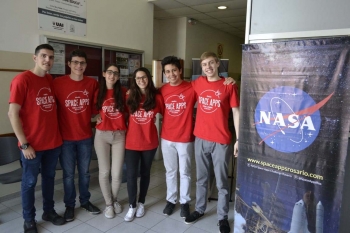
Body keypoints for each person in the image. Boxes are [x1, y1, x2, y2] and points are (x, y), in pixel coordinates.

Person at [160, 56, 235, 218]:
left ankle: (185, 202)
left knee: (186, 172)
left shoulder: (191, 87)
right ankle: (171, 200)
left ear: (180, 71)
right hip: (168, 137)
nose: (171, 74)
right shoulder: (163, 90)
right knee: (171, 171)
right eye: (167, 71)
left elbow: (217, 90)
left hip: (187, 137)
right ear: (164, 74)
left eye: (174, 70)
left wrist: (228, 80)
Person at [8, 44, 65, 233]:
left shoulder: (50, 79)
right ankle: (29, 219)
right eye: (43, 56)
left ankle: (49, 211)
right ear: (35, 58)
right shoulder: (22, 80)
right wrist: (24, 144)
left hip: (52, 143)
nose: (47, 60)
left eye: (50, 57)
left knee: (49, 179)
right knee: (29, 183)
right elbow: (12, 114)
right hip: (31, 146)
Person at [185, 52, 240, 233]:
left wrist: (238, 139)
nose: (207, 67)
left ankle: (222, 217)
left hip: (221, 140)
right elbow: (178, 89)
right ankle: (200, 209)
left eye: (211, 63)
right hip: (200, 137)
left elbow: (236, 113)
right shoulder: (197, 83)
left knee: (222, 182)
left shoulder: (229, 86)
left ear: (217, 64)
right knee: (201, 178)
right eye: (204, 65)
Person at [53, 49, 100, 222]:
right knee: (68, 175)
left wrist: (99, 116)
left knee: (85, 173)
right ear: (69, 64)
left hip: (85, 137)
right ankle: (70, 206)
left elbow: (96, 108)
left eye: (82, 63)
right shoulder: (58, 83)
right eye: (75, 62)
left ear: (86, 65)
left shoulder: (92, 84)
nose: (78, 66)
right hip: (65, 138)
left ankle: (85, 202)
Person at [124, 67, 164, 222]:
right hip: (132, 143)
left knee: (145, 173)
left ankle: (141, 202)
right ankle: (132, 205)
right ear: (134, 80)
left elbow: (168, 116)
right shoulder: (129, 96)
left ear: (149, 78)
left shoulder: (157, 97)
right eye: (138, 78)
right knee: (131, 175)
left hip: (149, 142)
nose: (141, 80)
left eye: (144, 77)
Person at [94, 64, 127, 219]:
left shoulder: (124, 92)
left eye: (115, 73)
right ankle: (108, 204)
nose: (112, 76)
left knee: (117, 173)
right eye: (109, 72)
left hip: (119, 136)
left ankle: (114, 200)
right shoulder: (98, 92)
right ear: (104, 74)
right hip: (102, 136)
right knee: (104, 171)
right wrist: (93, 118)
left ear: (119, 76)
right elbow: (86, 111)